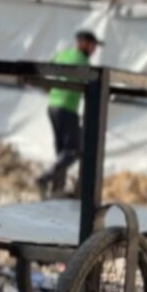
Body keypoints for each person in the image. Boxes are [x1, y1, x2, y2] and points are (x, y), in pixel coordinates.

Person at [35, 30, 102, 198]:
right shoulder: (83, 62)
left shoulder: (64, 55)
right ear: (84, 43)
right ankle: (45, 178)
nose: (94, 50)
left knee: (62, 151)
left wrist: (50, 88)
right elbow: (93, 86)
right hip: (68, 108)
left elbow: (45, 71)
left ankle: (57, 188)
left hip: (53, 106)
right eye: (93, 45)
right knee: (73, 150)